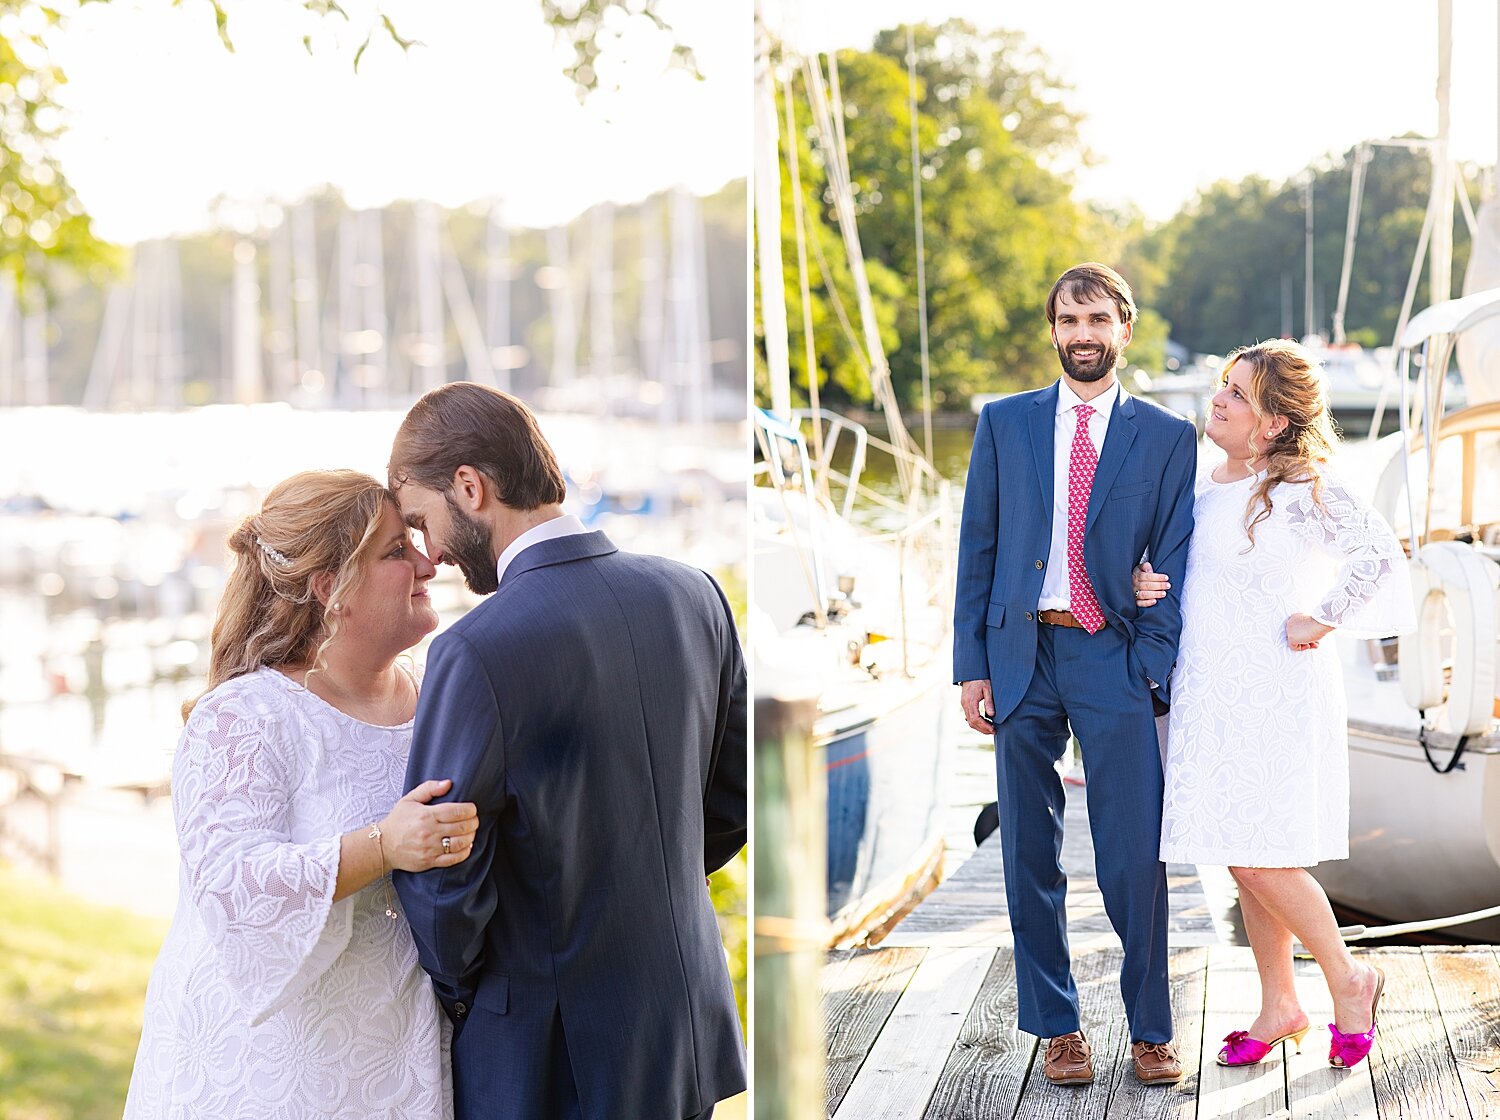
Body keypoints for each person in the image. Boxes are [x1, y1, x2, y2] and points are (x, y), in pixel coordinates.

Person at [387, 383, 747, 1120]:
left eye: (423, 523)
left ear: (470, 486)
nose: (432, 554)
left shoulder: (476, 650)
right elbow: (730, 803)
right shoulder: (695, 595)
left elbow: (443, 878)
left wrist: (467, 995)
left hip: (546, 1053)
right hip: (680, 1022)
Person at [125, 469, 480, 1119]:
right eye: (397, 552)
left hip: (397, 1061)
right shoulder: (245, 716)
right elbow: (232, 884)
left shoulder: (439, 700)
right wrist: (383, 846)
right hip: (266, 1073)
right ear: (331, 589)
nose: (430, 564)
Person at [1133, 339, 1413, 1070]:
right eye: (1223, 385)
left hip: (1274, 689)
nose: (1217, 399)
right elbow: (1192, 579)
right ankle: (1279, 1005)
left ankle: (1350, 979)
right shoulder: (1204, 484)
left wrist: (1322, 617)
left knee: (1260, 856)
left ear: (1272, 423)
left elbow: (1379, 555)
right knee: (1242, 849)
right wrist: (1145, 586)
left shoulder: (1303, 488)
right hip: (1210, 689)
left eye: (1236, 393)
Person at [953, 263, 1198, 1086]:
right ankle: (1057, 1026)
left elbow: (1173, 557)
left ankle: (1151, 1028)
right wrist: (969, 666)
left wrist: (1150, 668)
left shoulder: (1166, 436)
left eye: (1097, 320)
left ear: (1125, 328)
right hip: (1020, 652)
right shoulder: (1005, 423)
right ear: (1053, 330)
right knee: (1028, 849)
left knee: (1135, 854)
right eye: (1068, 321)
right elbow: (977, 548)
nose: (1082, 335)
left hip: (1112, 654)